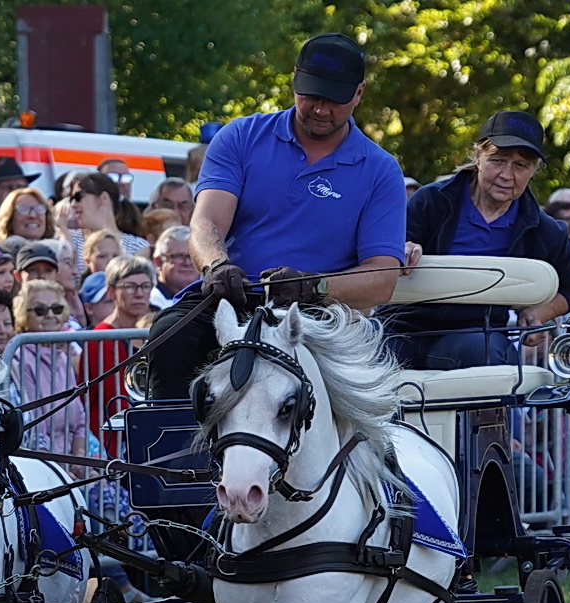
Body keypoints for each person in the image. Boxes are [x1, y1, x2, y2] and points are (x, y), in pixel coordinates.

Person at [144, 33, 408, 398]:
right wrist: (216, 265)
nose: (320, 108)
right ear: (294, 78)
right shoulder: (240, 136)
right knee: (170, 334)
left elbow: (381, 277)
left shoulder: (380, 169)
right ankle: (169, 450)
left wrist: (315, 286)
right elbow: (205, 223)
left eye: (334, 100)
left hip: (320, 312)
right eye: (311, 94)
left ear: (359, 94)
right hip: (234, 294)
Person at [381, 111, 570, 369]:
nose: (507, 174)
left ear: (534, 171)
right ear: (478, 157)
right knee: (365, 355)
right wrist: (404, 247)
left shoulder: (544, 229)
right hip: (403, 328)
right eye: (497, 160)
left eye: (520, 165)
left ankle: (492, 411)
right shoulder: (431, 201)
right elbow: (392, 247)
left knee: (485, 352)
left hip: (476, 335)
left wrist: (540, 313)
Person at [84, 254, 154, 448]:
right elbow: (114, 401)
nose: (139, 293)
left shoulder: (155, 331)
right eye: (130, 286)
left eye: (145, 286)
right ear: (112, 292)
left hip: (148, 431)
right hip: (114, 442)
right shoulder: (101, 338)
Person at [10, 278, 84, 455]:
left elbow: (80, 419)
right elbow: (37, 428)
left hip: (73, 461)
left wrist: (80, 459)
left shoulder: (63, 358)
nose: (50, 315)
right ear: (24, 317)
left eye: (56, 308)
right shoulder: (20, 360)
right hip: (45, 464)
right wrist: (63, 468)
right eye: (40, 310)